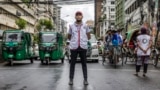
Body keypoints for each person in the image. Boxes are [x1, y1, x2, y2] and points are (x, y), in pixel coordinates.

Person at [68, 11, 91, 85]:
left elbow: (89, 36)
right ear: (75, 17)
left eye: (79, 15)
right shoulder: (71, 26)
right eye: (77, 15)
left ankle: (85, 79)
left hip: (83, 46)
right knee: (72, 64)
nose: (78, 16)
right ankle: (71, 79)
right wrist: (73, 40)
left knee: (84, 64)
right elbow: (69, 36)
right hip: (74, 47)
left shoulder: (86, 26)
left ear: (82, 17)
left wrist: (84, 39)